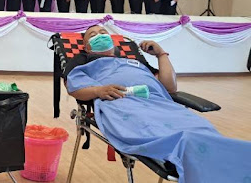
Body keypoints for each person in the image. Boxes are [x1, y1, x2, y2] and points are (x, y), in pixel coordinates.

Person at [65, 25, 251, 183]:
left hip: (159, 103)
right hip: (122, 104)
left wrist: (161, 54)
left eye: (103, 32)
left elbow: (170, 87)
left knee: (202, 130)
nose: (99, 35)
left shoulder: (133, 61)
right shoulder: (83, 60)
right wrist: (98, 91)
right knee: (183, 139)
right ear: (87, 47)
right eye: (93, 35)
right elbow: (73, 86)